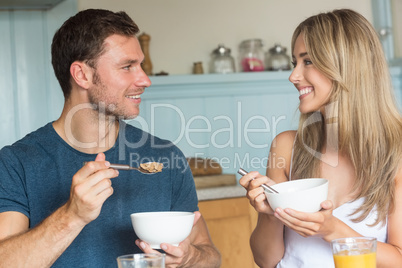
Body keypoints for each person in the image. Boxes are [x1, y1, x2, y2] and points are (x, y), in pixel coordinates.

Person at [0, 9, 221, 267]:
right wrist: (72, 216)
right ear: (82, 75)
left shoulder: (164, 156)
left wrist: (190, 258)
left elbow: (210, 255)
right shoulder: (15, 164)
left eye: (140, 65)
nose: (145, 80)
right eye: (127, 67)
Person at [239, 9, 402, 267]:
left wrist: (333, 230)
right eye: (295, 62)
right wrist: (269, 215)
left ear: (347, 65)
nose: (293, 76)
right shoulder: (286, 146)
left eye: (307, 61)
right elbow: (266, 261)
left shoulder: (396, 152)